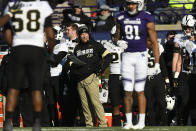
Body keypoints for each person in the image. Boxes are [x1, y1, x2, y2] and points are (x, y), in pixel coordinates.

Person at [2, 0, 55, 131]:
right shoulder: (42, 5)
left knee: (13, 88)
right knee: (36, 88)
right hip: (36, 49)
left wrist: (14, 46)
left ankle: (8, 121)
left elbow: (7, 34)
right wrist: (50, 51)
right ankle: (37, 122)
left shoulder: (13, 5)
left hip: (18, 48)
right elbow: (50, 34)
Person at [113, 0, 160, 129]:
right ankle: (128, 122)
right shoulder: (120, 16)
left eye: (133, 3)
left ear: (139, 4)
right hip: (127, 56)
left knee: (140, 90)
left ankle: (141, 122)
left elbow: (154, 41)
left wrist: (157, 63)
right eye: (128, 3)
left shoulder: (147, 17)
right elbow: (115, 36)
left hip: (141, 56)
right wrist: (118, 42)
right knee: (127, 90)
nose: (130, 6)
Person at [70, 25, 112, 127]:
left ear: (89, 34)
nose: (84, 36)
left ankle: (103, 124)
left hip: (91, 78)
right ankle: (89, 125)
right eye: (82, 34)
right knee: (85, 106)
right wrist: (74, 70)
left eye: (86, 33)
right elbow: (71, 63)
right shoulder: (77, 48)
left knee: (95, 103)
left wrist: (102, 68)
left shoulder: (96, 45)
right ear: (79, 36)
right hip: (80, 80)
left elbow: (108, 56)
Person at [171, 15, 194, 125]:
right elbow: (177, 58)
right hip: (185, 73)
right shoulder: (179, 38)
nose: (186, 30)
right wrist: (174, 75)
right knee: (184, 100)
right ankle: (182, 122)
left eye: (189, 27)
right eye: (185, 27)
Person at [144, 38, 167, 126]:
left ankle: (164, 124)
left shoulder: (158, 47)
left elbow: (162, 63)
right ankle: (152, 125)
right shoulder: (140, 49)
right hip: (146, 78)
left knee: (162, 103)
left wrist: (166, 79)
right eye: (148, 41)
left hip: (158, 77)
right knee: (149, 104)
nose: (151, 43)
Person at [104, 40, 124, 126]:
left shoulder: (126, 43)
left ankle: (129, 122)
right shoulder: (107, 45)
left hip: (126, 75)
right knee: (115, 104)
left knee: (128, 102)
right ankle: (116, 125)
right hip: (114, 76)